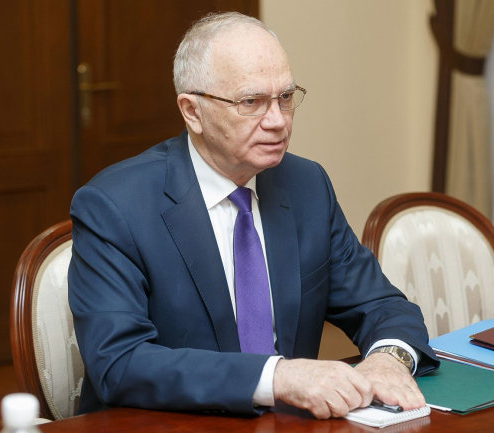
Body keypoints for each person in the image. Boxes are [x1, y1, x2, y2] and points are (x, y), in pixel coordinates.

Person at [68, 12, 439, 420]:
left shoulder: (306, 186)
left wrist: (388, 360)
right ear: (192, 111)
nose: (278, 121)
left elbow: (383, 306)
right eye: (251, 102)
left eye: (285, 97)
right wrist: (276, 377)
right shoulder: (115, 205)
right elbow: (119, 362)